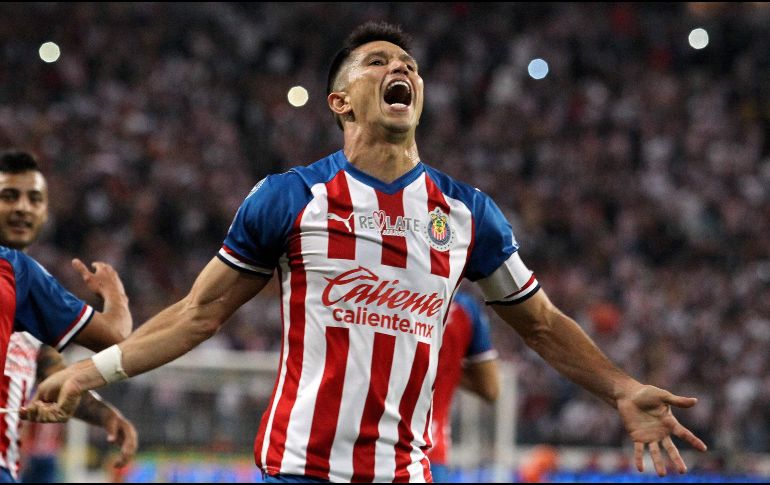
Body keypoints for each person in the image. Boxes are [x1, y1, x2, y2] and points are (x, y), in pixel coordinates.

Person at [23, 21, 707, 483]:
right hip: (297, 466)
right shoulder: (288, 197)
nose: (398, 68)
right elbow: (197, 314)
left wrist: (621, 387)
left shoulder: (469, 213)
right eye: (377, 63)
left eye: (407, 64)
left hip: (406, 474)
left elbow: (543, 323)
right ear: (340, 101)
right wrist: (96, 371)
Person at [0, 150, 137, 482]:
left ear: (46, 213)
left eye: (34, 199)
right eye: (8, 196)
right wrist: (115, 293)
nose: (22, 207)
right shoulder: (18, 272)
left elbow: (53, 377)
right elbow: (116, 335)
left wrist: (105, 416)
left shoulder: (29, 302)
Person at [428, 291, 500, 482]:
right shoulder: (464, 308)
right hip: (432, 450)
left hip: (370, 443)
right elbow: (491, 388)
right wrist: (449, 365)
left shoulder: (379, 294)